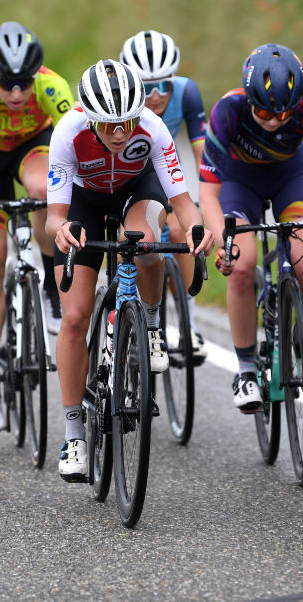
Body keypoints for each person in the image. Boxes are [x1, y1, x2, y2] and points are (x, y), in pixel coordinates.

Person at [47, 59, 214, 481]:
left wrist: (196, 229)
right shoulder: (68, 132)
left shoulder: (153, 128)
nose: (120, 134)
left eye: (127, 122)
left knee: (143, 240)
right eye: (109, 126)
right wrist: (63, 230)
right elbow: (54, 216)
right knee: (73, 316)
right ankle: (73, 434)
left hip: (134, 191)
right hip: (84, 202)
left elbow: (181, 202)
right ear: (89, 116)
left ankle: (151, 326)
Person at [198, 43, 303, 413]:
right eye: (263, 111)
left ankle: (302, 341)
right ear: (249, 98)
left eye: (283, 113)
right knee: (241, 267)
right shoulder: (228, 110)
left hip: (289, 180)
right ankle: (245, 368)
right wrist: (221, 241)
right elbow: (207, 192)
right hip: (237, 184)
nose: (274, 120)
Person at [0, 22, 74, 434]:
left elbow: (72, 158)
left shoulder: (54, 89)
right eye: (8, 85)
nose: (18, 94)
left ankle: (48, 287)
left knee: (44, 188)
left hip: (32, 149)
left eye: (25, 83)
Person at [119, 29, 209, 362]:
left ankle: (189, 321)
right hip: (122, 174)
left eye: (164, 85)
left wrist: (206, 203)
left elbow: (202, 156)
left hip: (162, 171)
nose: (156, 96)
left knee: (179, 229)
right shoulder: (120, 100)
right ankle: (121, 309)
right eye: (146, 86)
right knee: (128, 239)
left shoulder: (187, 93)